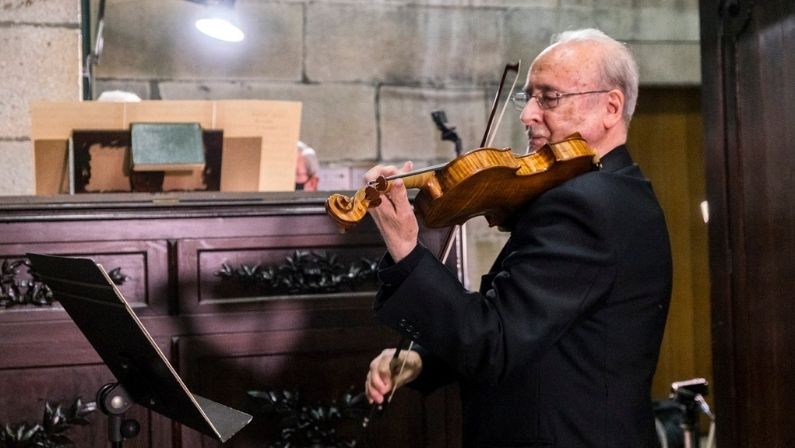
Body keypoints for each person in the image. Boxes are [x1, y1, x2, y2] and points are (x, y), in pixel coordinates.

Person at [363, 28, 672, 447]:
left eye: (549, 97)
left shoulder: (587, 205)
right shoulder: (620, 191)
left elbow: (495, 343)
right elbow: (532, 327)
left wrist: (405, 250)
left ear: (611, 107)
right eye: (527, 96)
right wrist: (424, 360)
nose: (528, 114)